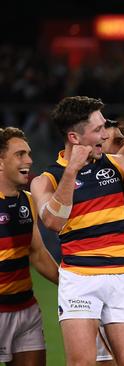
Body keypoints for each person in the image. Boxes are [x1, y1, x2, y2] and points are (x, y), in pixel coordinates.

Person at [30, 95, 124, 366]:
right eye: (97, 130)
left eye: (104, 127)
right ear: (74, 137)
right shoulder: (46, 180)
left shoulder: (117, 164)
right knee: (82, 363)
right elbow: (53, 222)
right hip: (80, 279)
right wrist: (71, 171)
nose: (105, 136)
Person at [0, 127, 58, 366]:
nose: (29, 160)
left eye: (29, 153)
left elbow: (37, 253)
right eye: (20, 154)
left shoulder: (28, 201)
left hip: (26, 310)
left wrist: (73, 284)